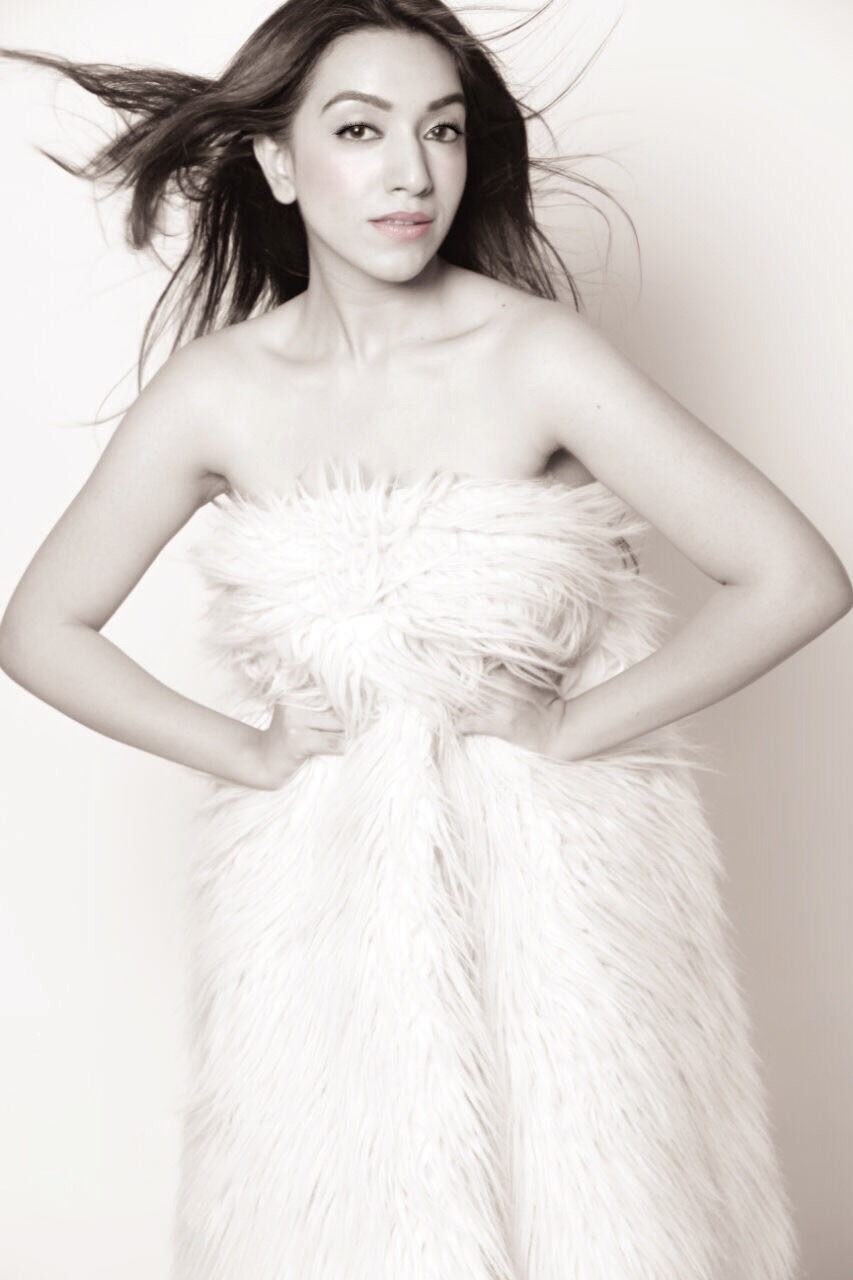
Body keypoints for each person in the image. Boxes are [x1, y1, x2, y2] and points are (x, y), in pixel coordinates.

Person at [0, 1, 850, 1276]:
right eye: (360, 130)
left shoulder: (533, 354)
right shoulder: (221, 390)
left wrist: (569, 722)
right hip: (318, 900)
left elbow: (792, 576)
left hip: (565, 897)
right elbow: (41, 627)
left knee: (602, 1217)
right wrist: (248, 751)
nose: (411, 172)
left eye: (441, 131)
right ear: (279, 162)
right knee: (339, 1220)